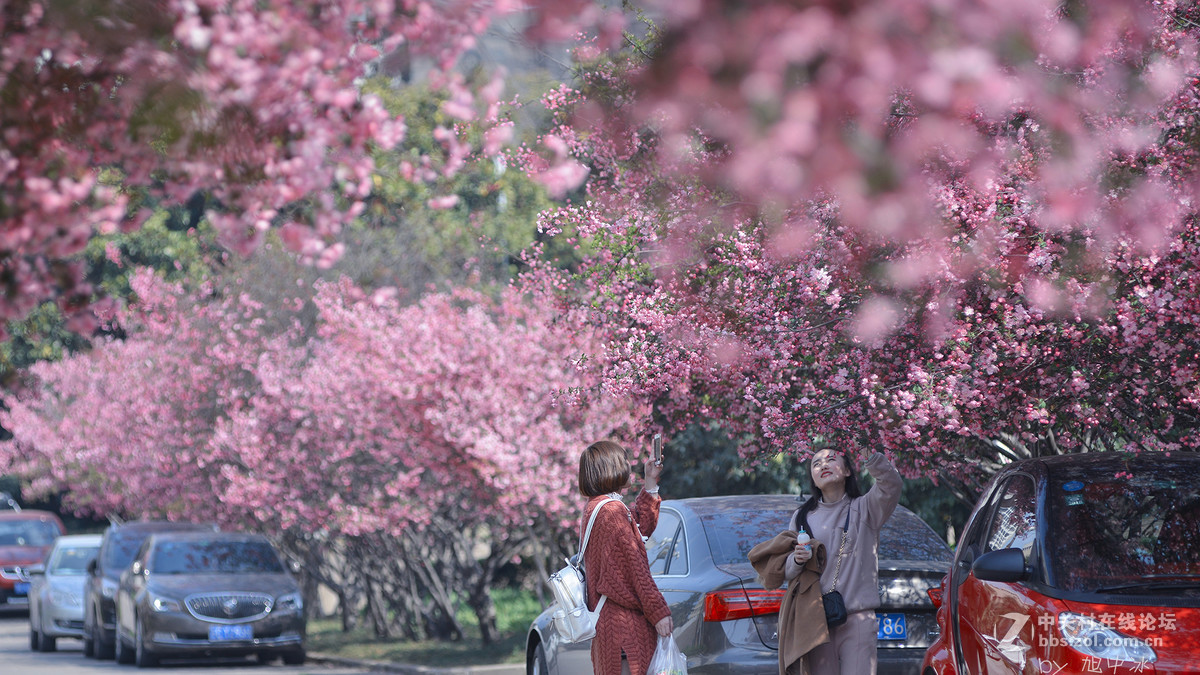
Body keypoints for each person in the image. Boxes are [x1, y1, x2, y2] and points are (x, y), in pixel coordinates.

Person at [785, 446, 902, 675]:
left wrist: (870, 455)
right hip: (817, 622)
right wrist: (797, 560)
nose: (824, 465)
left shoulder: (865, 508)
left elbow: (892, 484)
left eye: (831, 460)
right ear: (813, 479)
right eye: (816, 464)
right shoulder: (801, 517)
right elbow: (788, 571)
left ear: (847, 470)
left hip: (858, 620)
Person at [578, 439, 674, 675]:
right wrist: (658, 611)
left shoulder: (598, 507)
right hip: (624, 630)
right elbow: (634, 567)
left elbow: (639, 529)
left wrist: (650, 481)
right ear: (610, 468)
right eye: (623, 461)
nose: (628, 466)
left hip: (610, 628)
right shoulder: (611, 511)